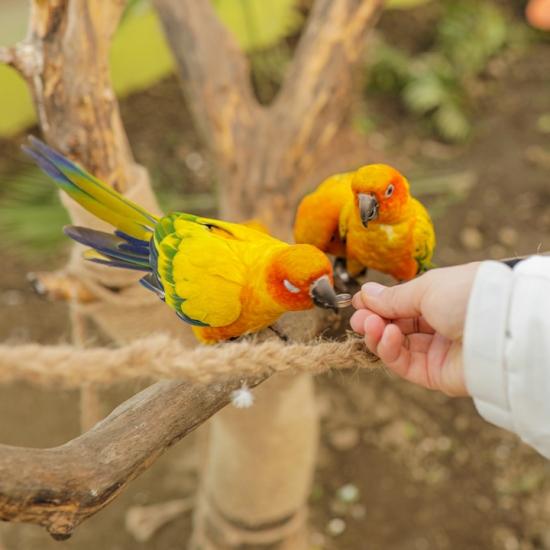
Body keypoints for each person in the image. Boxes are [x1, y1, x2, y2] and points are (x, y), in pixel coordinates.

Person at [351, 0, 550, 458]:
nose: (364, 206)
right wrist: (493, 324)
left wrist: (487, 315)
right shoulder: (348, 217)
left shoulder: (415, 227)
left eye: (379, 195)